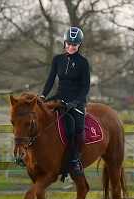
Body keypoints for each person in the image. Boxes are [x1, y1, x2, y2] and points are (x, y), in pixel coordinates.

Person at [40, 26, 91, 177]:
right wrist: (43, 96)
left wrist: (76, 102)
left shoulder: (83, 63)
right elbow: (50, 80)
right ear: (64, 43)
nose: (70, 47)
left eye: (74, 45)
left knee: (74, 128)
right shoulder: (57, 60)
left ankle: (74, 159)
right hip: (58, 98)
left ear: (79, 45)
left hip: (76, 103)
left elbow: (85, 87)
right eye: (68, 43)